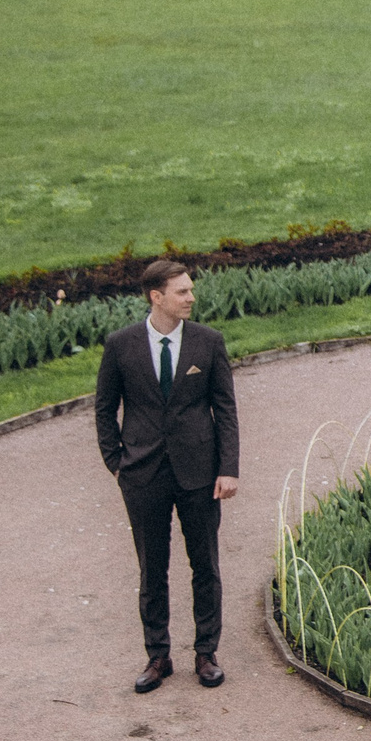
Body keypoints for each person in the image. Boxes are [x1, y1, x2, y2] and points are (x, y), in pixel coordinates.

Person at [95, 258, 240, 693]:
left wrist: (228, 469)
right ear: (156, 297)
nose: (191, 298)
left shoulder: (207, 342)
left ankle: (205, 653)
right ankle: (158, 656)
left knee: (205, 566)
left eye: (191, 290)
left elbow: (226, 410)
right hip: (142, 474)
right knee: (151, 569)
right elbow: (105, 408)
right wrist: (116, 461)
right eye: (182, 292)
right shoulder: (121, 345)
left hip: (200, 473)